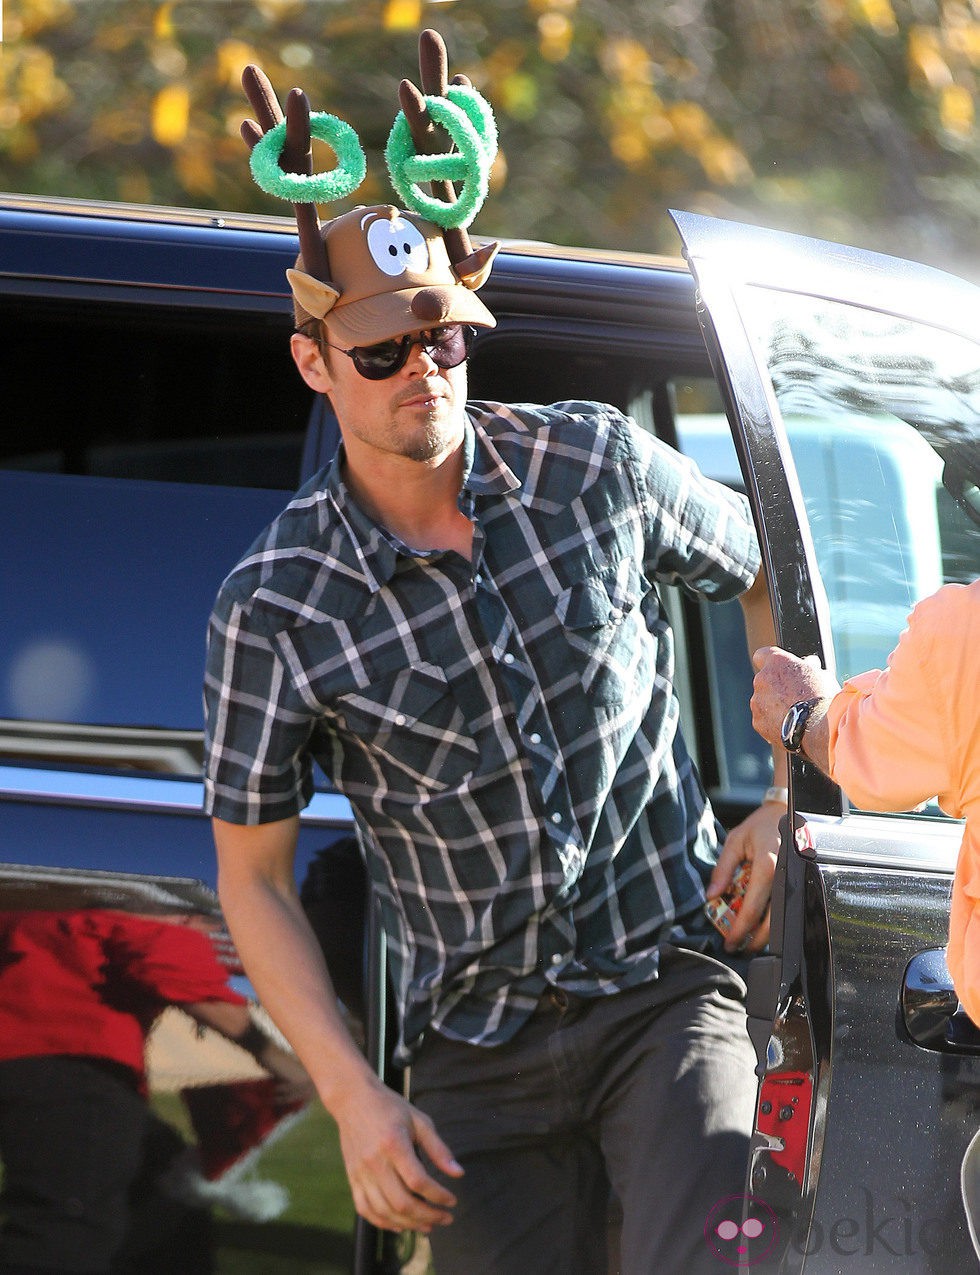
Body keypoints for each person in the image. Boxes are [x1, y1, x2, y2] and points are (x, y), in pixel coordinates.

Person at [203, 187, 787, 1273]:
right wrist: (352, 1097)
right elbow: (254, 883)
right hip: (471, 1053)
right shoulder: (274, 606)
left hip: (662, 987)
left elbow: (768, 573)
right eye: (379, 353)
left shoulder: (592, 470)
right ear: (313, 364)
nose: (420, 368)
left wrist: (782, 790)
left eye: (443, 338)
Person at [0, 907, 312, 1275]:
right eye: (211, 926)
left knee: (163, 1175)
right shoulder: (146, 927)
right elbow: (189, 985)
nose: (216, 935)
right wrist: (281, 1060)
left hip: (26, 1074)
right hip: (80, 1074)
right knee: (69, 1225)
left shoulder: (36, 923)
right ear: (183, 915)